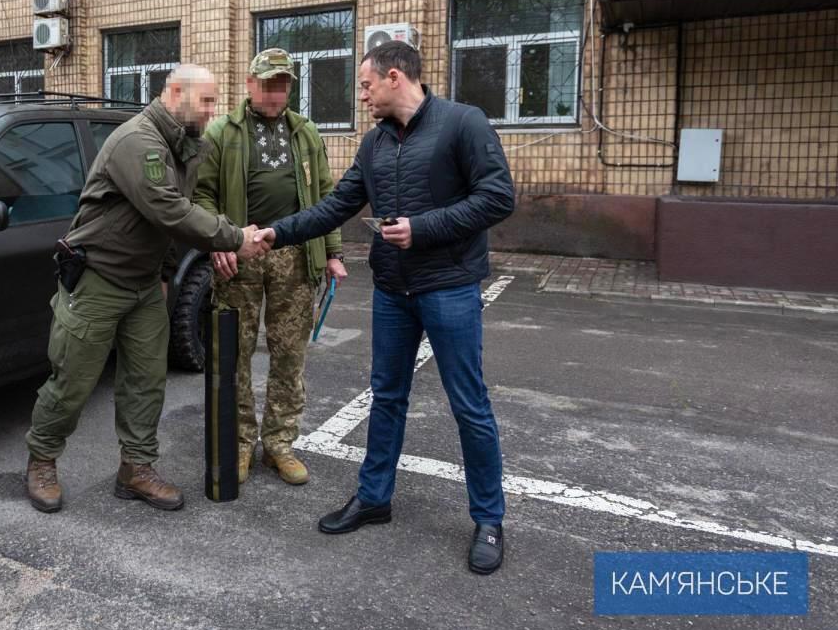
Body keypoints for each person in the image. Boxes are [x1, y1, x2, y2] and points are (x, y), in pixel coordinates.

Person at [254, 41, 515, 574]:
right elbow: (334, 206)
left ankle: (489, 519)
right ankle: (374, 498)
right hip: (393, 291)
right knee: (386, 396)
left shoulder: (464, 123)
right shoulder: (374, 145)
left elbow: (498, 197)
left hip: (450, 287)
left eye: (367, 85)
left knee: (469, 404)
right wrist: (276, 233)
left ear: (395, 77)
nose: (363, 96)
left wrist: (422, 229)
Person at [25, 65, 269, 514]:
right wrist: (236, 238)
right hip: (98, 279)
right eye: (207, 101)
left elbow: (174, 222)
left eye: (216, 102)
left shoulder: (187, 146)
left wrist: (165, 273)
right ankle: (42, 459)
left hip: (142, 284)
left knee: (146, 382)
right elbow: (169, 210)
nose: (213, 111)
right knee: (72, 383)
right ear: (175, 93)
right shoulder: (138, 141)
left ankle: (135, 468)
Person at [194, 48, 346, 486]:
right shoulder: (222, 132)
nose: (275, 93)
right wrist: (218, 237)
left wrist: (333, 252)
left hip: (295, 257)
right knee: (234, 354)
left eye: (282, 84)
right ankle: (240, 443)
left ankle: (279, 444)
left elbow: (324, 195)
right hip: (241, 254)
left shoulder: (306, 132)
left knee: (289, 355)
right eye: (267, 83)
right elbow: (202, 194)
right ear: (249, 83)